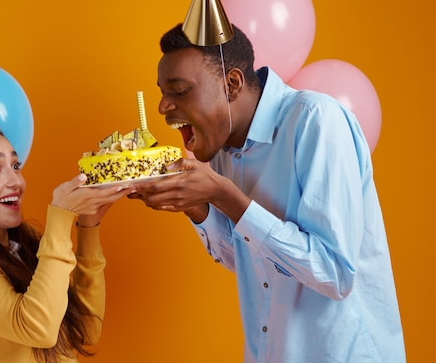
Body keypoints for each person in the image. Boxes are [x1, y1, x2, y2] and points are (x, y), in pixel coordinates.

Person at [129, 22, 406, 362]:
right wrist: (196, 205)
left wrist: (226, 196)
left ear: (232, 84)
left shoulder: (316, 120)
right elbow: (250, 258)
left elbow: (334, 273)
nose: (162, 107)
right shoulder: (221, 148)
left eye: (180, 91)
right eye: (162, 92)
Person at [0, 123, 132, 363]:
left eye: (15, 166)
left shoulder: (26, 247)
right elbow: (38, 328)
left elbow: (86, 329)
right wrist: (60, 215)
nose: (16, 182)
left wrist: (88, 227)